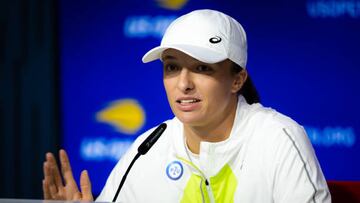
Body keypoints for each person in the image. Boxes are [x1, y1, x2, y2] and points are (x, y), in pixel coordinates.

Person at [42, 9, 331, 202]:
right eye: (171, 67)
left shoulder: (279, 138)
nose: (184, 83)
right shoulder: (148, 148)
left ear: (236, 80)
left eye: (203, 68)